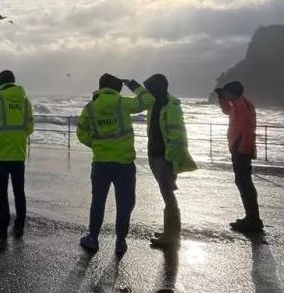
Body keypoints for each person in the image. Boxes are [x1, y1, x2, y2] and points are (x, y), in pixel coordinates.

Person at [76, 73, 154, 256]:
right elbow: (148, 100)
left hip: (101, 163)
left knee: (98, 201)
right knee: (124, 204)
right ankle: (120, 241)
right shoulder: (122, 103)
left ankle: (93, 238)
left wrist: (96, 144)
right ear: (117, 89)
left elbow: (81, 133)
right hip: (124, 163)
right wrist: (134, 85)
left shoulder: (90, 108)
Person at [142, 74, 196, 249]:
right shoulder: (154, 101)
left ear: (157, 88)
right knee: (165, 192)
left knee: (168, 193)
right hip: (154, 154)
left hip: (165, 157)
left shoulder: (170, 106)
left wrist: (171, 158)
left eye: (150, 88)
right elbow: (141, 92)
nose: (147, 91)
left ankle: (171, 234)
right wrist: (130, 84)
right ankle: (170, 230)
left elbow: (178, 134)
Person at [0, 70, 34, 248]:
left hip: (1, 154)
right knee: (19, 192)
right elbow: (30, 127)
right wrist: (18, 138)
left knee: (1, 192)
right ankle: (19, 226)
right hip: (19, 153)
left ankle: (2, 229)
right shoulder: (25, 100)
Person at [215, 81, 263, 233]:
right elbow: (227, 111)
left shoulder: (242, 105)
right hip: (239, 147)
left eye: (226, 92)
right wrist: (221, 98)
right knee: (243, 182)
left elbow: (248, 129)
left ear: (233, 92)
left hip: (241, 148)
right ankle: (252, 218)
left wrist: (243, 149)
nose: (225, 94)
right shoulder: (238, 103)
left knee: (244, 183)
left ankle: (253, 220)